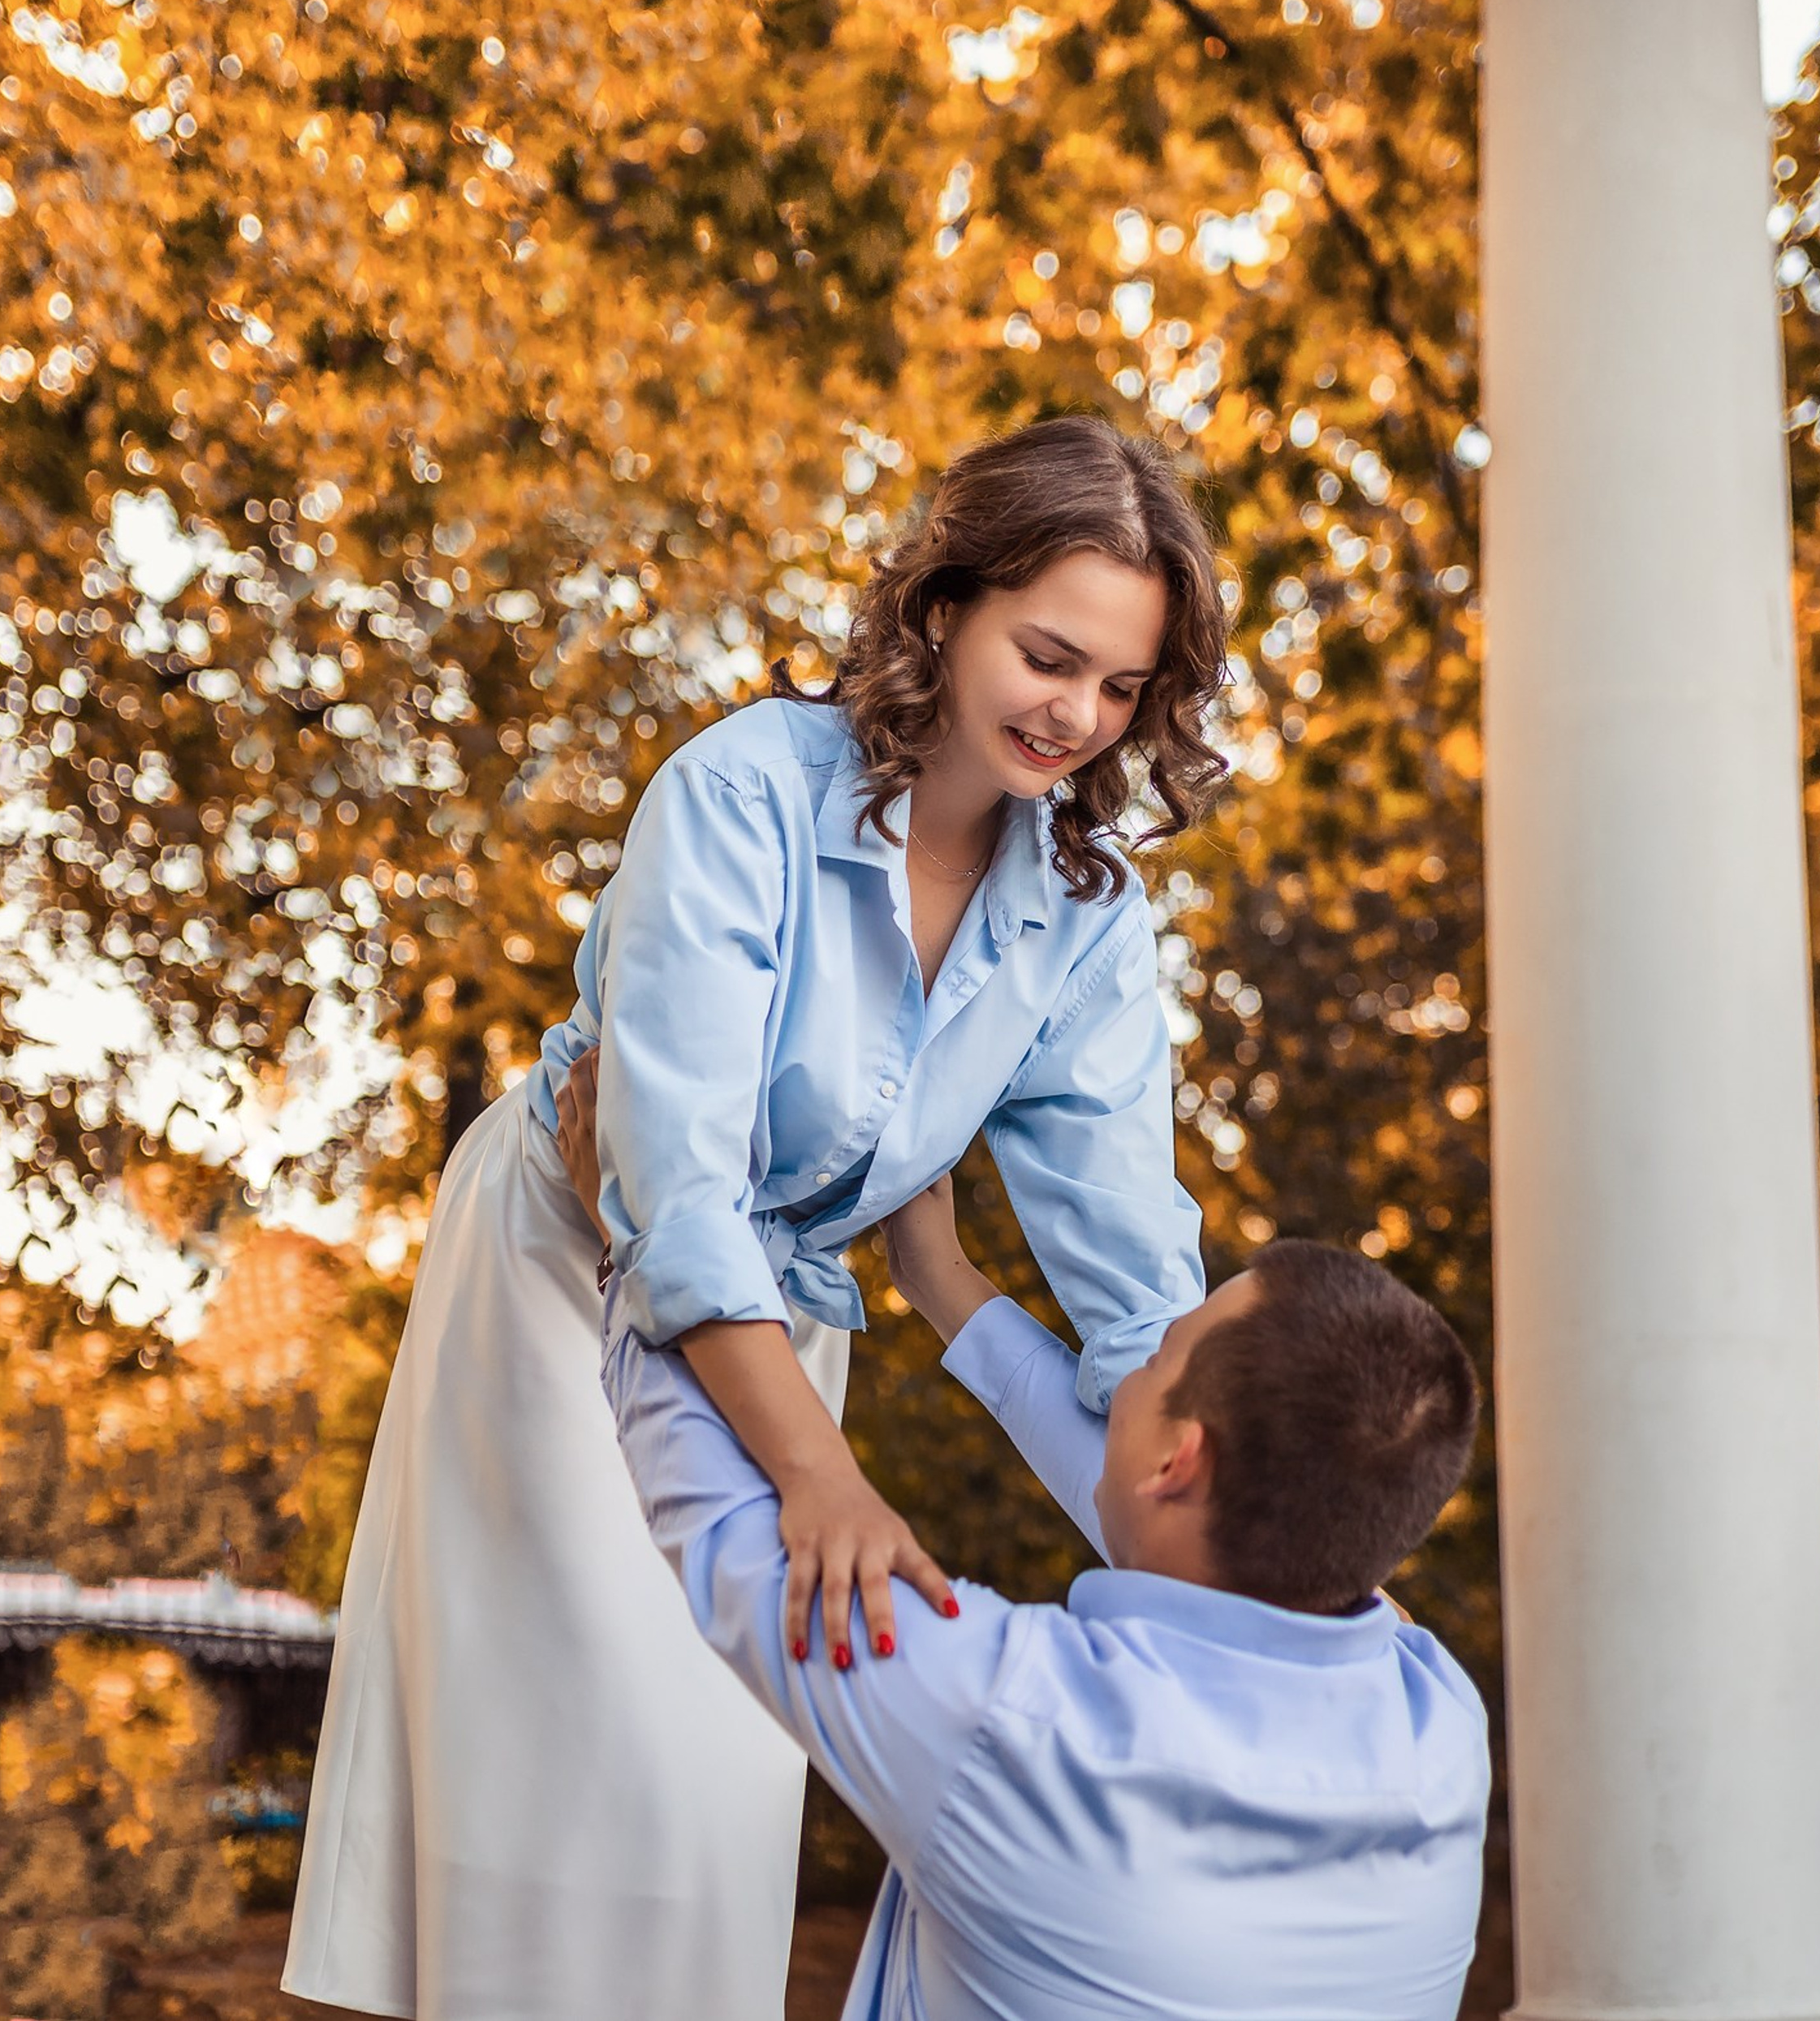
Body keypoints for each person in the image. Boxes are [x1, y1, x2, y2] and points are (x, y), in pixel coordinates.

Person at [284, 416, 1232, 2020]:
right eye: (1047, 653)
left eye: (1119, 685)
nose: (1074, 713)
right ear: (943, 609)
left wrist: (1240, 1555)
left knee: (712, 1790)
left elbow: (1132, 1269)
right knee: (563, 1788)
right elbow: (666, 1186)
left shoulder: (1081, 915)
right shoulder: (738, 792)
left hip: (776, 1315)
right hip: (561, 1266)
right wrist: (823, 1476)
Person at [561, 1054, 1492, 2021]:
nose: (1127, 1372)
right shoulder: (1439, 1728)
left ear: (1178, 1460)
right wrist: (945, 1283)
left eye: (1160, 1353)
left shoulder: (1011, 1722)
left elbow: (722, 1521)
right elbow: (1210, 1535)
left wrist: (639, 1244)